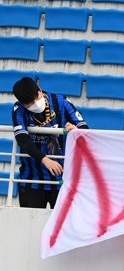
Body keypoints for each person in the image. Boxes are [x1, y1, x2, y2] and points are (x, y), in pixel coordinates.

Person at [11, 77, 88, 208]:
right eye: (29, 104)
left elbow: (84, 128)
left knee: (62, 227)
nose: (34, 104)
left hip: (63, 180)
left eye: (36, 98)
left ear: (40, 91)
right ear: (22, 103)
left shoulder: (61, 101)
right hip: (31, 181)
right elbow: (22, 139)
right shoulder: (19, 109)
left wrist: (76, 130)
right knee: (30, 226)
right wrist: (45, 160)